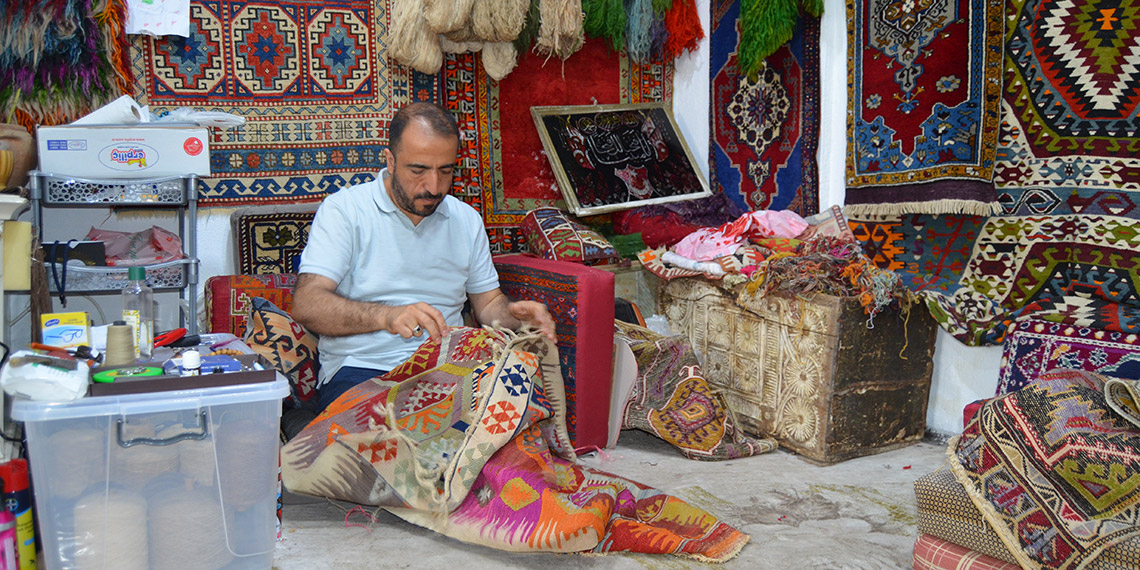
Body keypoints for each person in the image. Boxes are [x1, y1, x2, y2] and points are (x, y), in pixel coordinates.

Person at [292, 102, 556, 413]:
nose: (433, 186)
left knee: (522, 406)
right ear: (390, 161)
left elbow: (486, 304)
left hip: (450, 368)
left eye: (445, 171)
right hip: (363, 370)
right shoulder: (346, 211)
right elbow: (306, 303)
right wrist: (387, 317)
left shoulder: (466, 219)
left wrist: (514, 314)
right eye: (418, 170)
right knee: (384, 447)